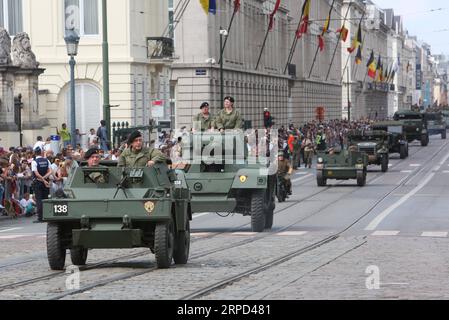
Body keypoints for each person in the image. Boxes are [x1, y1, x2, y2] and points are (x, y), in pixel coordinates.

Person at [31, 147, 51, 223]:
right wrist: (45, 179)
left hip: (38, 182)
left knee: (39, 199)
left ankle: (40, 218)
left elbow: (36, 174)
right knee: (45, 199)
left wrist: (42, 179)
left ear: (35, 153)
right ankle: (46, 216)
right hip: (46, 182)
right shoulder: (47, 160)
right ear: (41, 152)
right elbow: (50, 171)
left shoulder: (34, 162)